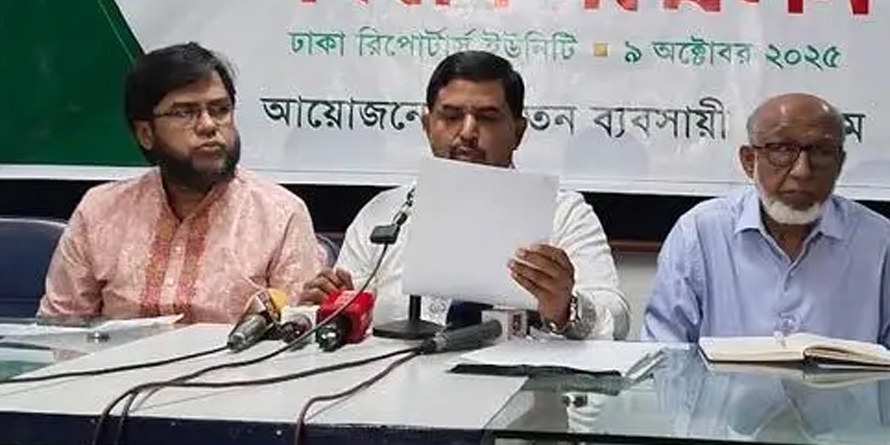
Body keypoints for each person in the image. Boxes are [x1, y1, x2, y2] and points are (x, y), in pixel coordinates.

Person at [307, 51, 630, 340]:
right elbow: (348, 309)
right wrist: (330, 306)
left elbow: (616, 320)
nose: (467, 132)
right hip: (399, 384)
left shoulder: (563, 213)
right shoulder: (384, 214)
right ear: (427, 125)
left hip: (522, 385)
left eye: (487, 118)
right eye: (451, 116)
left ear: (518, 131)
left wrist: (565, 308)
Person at [38, 42, 319, 323]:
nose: (208, 125)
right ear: (146, 133)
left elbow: (296, 331)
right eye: (185, 112)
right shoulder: (100, 211)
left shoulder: (280, 215)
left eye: (220, 109)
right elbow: (57, 328)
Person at [641, 93, 890, 357]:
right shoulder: (698, 234)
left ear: (839, 163)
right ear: (749, 161)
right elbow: (665, 356)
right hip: (725, 403)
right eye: (782, 149)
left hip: (844, 402)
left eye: (821, 152)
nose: (802, 171)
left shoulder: (880, 242)